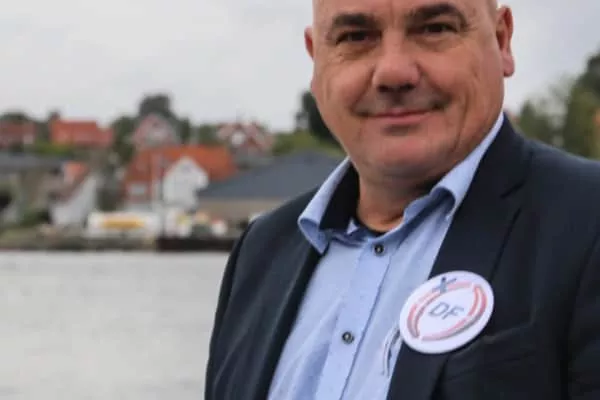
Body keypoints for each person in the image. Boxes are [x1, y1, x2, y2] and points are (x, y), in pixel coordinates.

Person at [205, 0, 600, 398]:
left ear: (501, 41)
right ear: (316, 59)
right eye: (355, 37)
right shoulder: (260, 253)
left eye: (434, 29)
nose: (393, 72)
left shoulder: (586, 224)